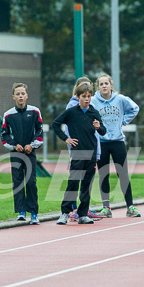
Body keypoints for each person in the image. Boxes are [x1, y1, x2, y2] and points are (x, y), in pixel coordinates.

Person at [51, 82, 106, 225]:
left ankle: (82, 214)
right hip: (78, 153)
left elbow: (103, 131)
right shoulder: (71, 112)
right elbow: (55, 124)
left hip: (92, 153)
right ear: (77, 96)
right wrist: (66, 139)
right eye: (83, 96)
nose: (87, 99)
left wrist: (99, 127)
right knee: (73, 183)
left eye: (89, 96)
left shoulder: (94, 112)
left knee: (86, 185)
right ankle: (64, 213)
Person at [91, 74, 141, 218]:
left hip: (118, 141)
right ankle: (106, 207)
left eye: (106, 83)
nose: (104, 86)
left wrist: (123, 121)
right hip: (101, 142)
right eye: (101, 84)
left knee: (123, 174)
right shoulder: (94, 101)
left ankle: (130, 206)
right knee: (103, 175)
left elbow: (135, 108)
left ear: (111, 85)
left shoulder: (120, 99)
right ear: (98, 87)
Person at [0, 83, 43, 225]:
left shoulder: (35, 112)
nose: (20, 96)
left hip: (30, 152)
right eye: (17, 94)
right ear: (13, 97)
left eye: (22, 93)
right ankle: (21, 211)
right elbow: (4, 135)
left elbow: (40, 132)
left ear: (27, 95)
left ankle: (34, 213)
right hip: (16, 153)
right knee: (18, 182)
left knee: (31, 182)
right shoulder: (8, 114)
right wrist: (14, 145)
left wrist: (32, 145)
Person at [65, 77, 103, 222]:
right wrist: (71, 146)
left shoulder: (92, 107)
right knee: (75, 179)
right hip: (77, 150)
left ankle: (83, 210)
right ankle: (72, 209)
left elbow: (96, 133)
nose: (86, 96)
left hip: (91, 150)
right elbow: (68, 130)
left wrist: (97, 151)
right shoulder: (71, 107)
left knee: (87, 181)